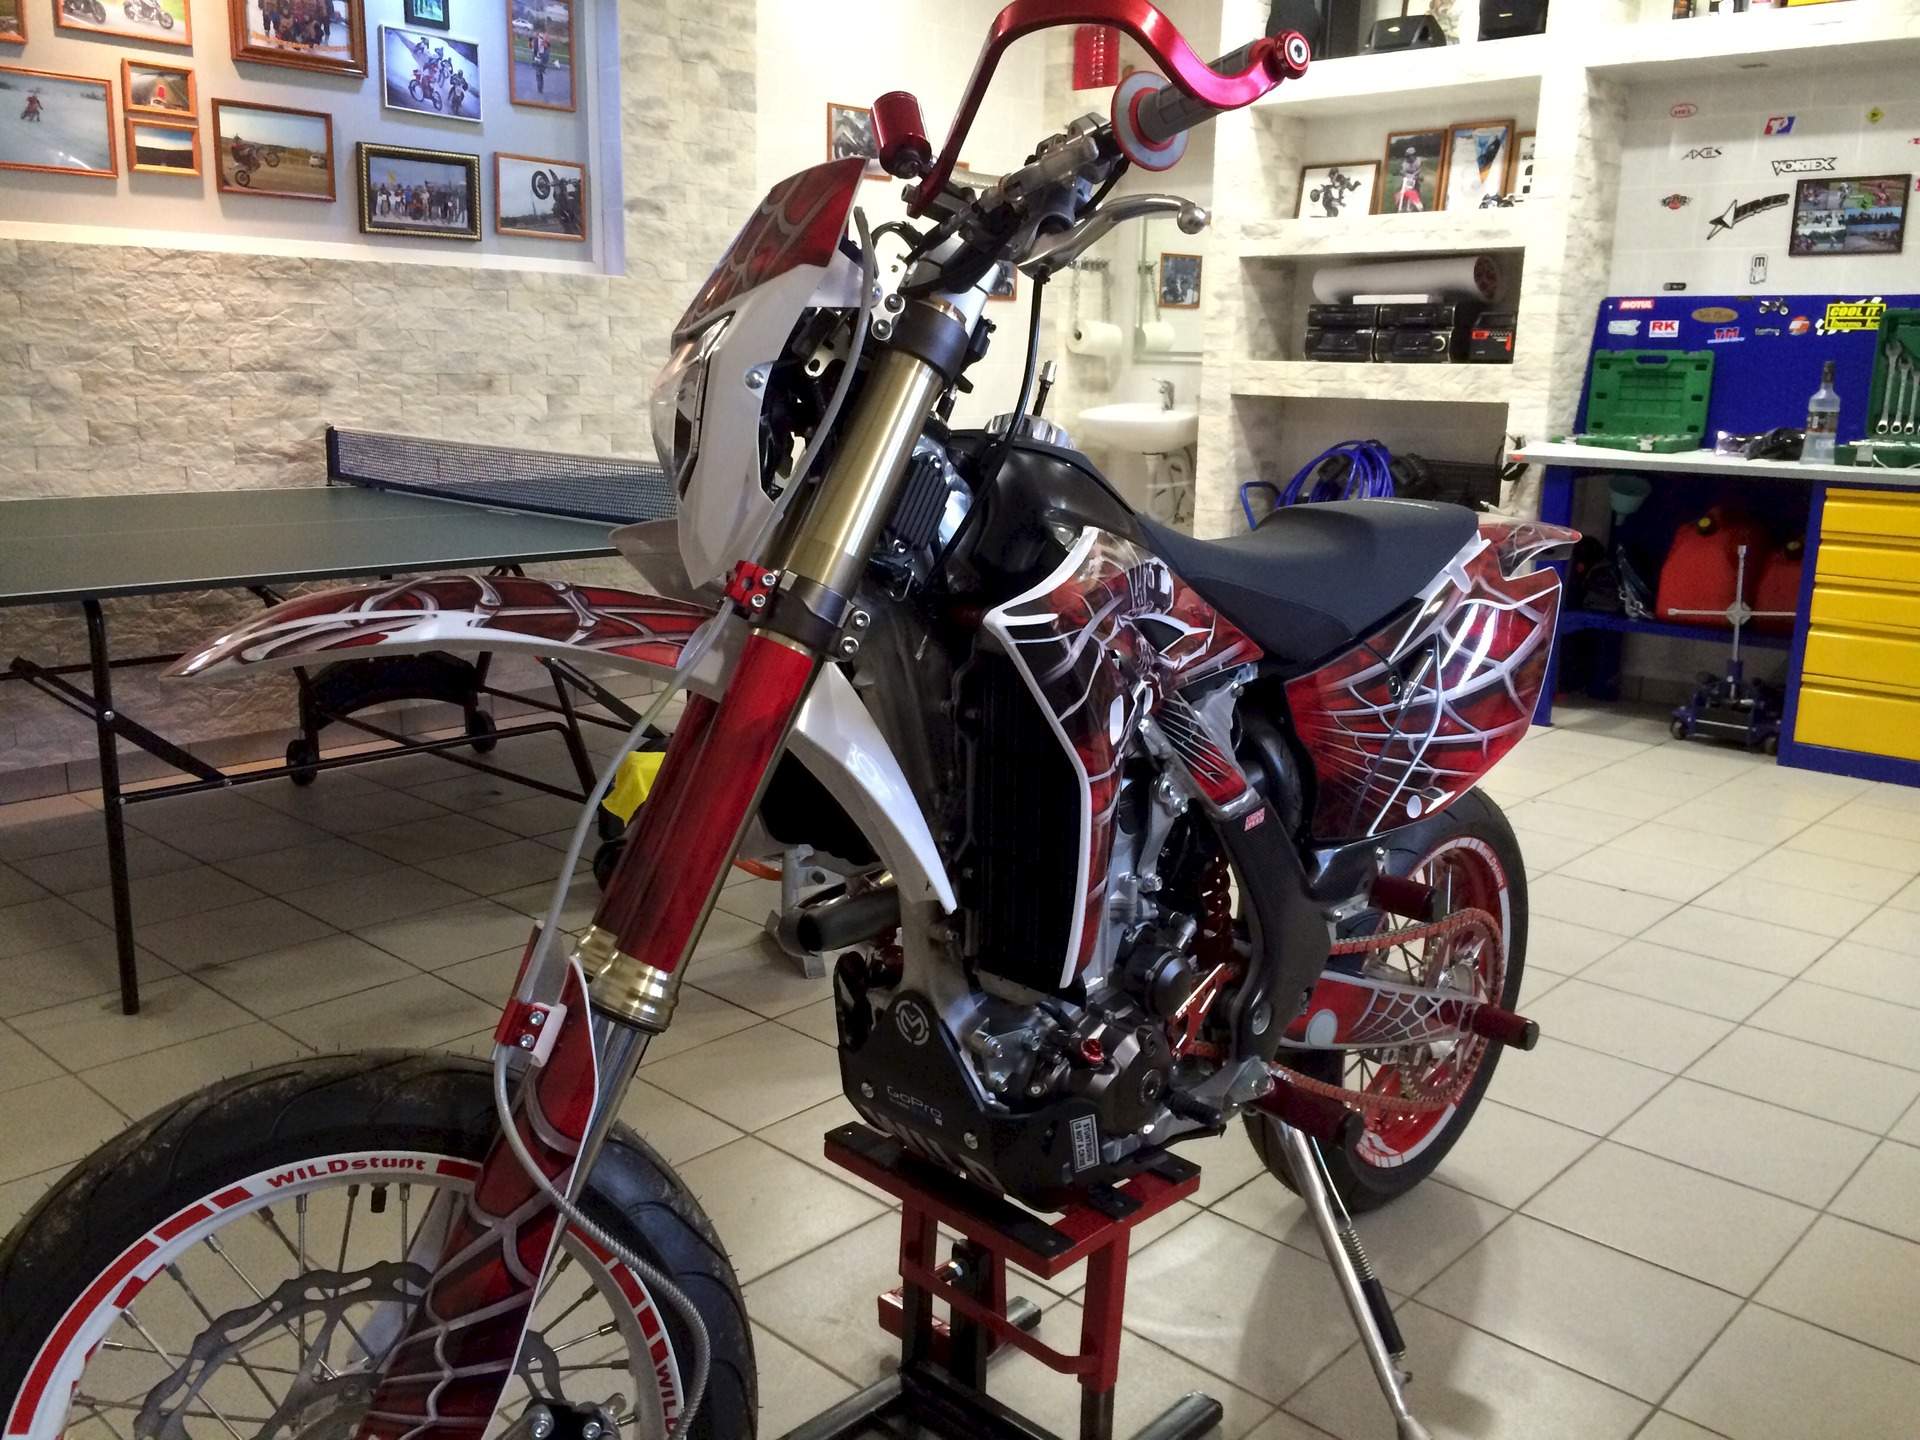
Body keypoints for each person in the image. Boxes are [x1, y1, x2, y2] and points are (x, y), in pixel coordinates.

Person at [1395, 146, 1424, 213]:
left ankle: (1414, 207)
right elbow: (1402, 172)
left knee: (1416, 192)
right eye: (1407, 156)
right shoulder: (1405, 163)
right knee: (1404, 192)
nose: (1408, 158)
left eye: (1409, 156)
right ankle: (1401, 206)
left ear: (1413, 155)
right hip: (1407, 180)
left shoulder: (1418, 161)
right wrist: (1407, 175)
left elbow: (1419, 169)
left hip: (1415, 179)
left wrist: (1415, 175)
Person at [531, 27, 551, 96]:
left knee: (539, 73)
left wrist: (544, 42)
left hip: (542, 59)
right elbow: (534, 49)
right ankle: (540, 88)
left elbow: (547, 47)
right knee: (539, 74)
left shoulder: (545, 39)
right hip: (538, 58)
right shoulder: (536, 40)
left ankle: (540, 88)